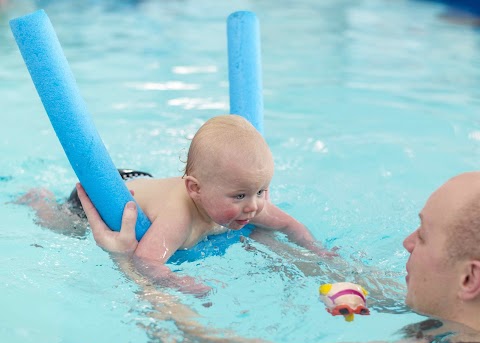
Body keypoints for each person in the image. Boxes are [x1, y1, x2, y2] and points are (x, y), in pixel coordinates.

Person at [81, 171, 480, 343]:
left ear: (469, 279)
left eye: (423, 236)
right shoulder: (460, 319)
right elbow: (350, 278)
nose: (407, 243)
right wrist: (263, 234)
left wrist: (127, 262)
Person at [19, 114, 337, 294]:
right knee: (59, 226)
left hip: (144, 183)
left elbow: (289, 225)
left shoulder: (247, 202)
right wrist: (180, 283)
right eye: (240, 196)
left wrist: (317, 250)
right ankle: (39, 198)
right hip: (104, 196)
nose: (253, 207)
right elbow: (146, 261)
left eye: (261, 191)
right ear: (195, 189)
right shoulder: (180, 216)